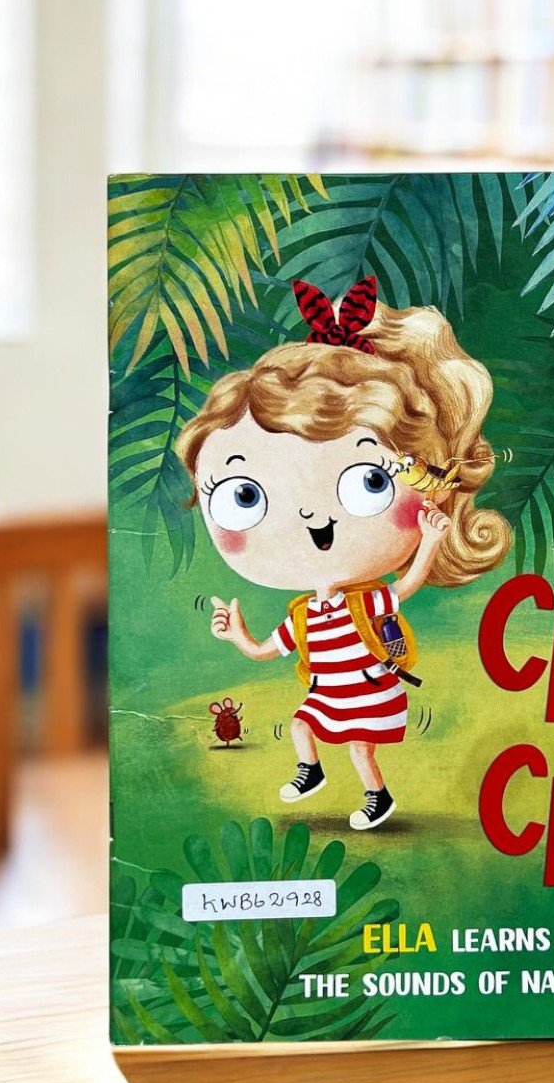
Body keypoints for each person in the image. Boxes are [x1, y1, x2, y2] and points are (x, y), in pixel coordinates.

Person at [176, 277, 510, 830]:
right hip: (327, 695)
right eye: (243, 496)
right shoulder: (304, 616)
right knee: (302, 725)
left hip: (370, 692)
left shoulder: (363, 604)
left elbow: (402, 590)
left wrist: (430, 540)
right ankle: (311, 771)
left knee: (360, 749)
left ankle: (377, 798)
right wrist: (237, 634)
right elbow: (265, 651)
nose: (314, 519)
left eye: (370, 482)